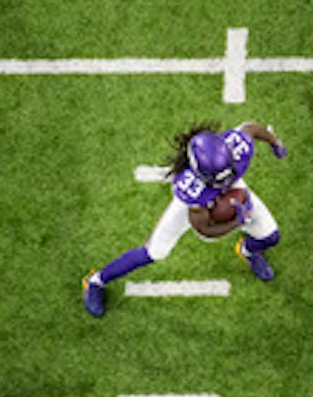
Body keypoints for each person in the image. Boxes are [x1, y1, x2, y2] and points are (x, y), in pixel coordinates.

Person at [82, 122, 288, 317]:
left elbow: (251, 128)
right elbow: (204, 229)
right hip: (198, 206)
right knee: (154, 252)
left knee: (271, 236)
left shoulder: (237, 145)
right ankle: (96, 281)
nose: (224, 182)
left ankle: (247, 249)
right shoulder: (191, 189)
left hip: (233, 192)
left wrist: (274, 141)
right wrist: (237, 221)